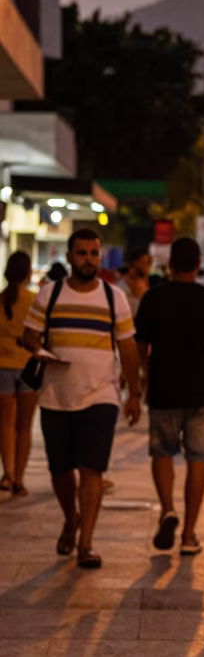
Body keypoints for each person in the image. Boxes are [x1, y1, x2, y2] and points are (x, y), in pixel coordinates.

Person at [23, 228, 141, 568]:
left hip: (100, 396)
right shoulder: (50, 293)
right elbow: (29, 335)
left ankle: (86, 542)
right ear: (70, 256)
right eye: (82, 253)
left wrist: (133, 393)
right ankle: (70, 518)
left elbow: (128, 348)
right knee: (60, 471)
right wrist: (36, 347)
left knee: (92, 469)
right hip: (55, 396)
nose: (89, 259)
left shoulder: (113, 297)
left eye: (94, 253)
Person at [135, 236, 204, 557]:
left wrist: (143, 372)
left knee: (162, 453)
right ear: (197, 265)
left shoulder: (153, 299)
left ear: (170, 265)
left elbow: (140, 343)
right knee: (197, 460)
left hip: (163, 388)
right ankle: (189, 535)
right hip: (202, 391)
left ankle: (167, 509)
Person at [0, 251, 38, 495]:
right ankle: (20, 478)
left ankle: (8, 474)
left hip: (2, 366)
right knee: (25, 427)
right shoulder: (34, 301)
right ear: (28, 273)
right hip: (29, 367)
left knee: (4, 424)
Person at [116, 246, 151, 320]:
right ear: (135, 263)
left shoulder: (145, 286)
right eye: (144, 263)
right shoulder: (120, 288)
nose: (147, 267)